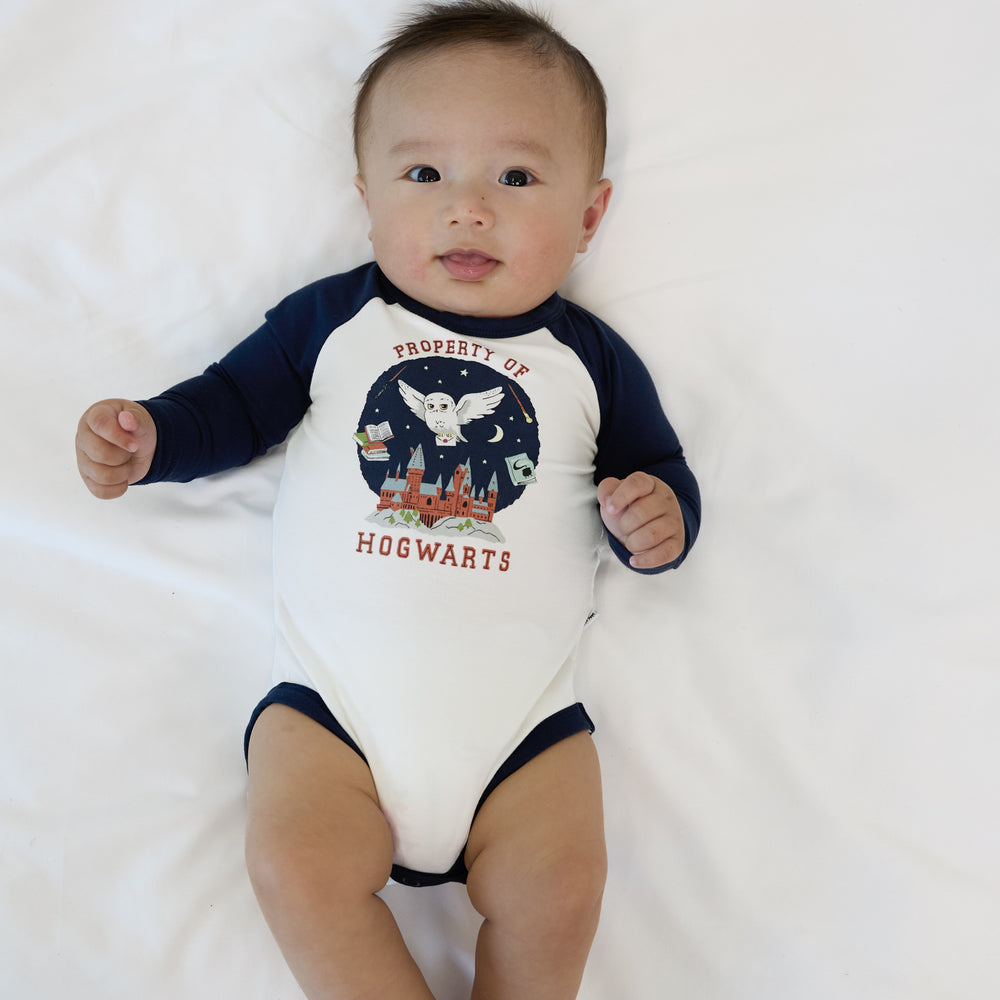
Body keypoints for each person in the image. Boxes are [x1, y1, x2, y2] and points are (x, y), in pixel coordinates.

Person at [75, 1, 701, 997]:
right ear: (367, 200)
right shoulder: (335, 323)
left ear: (588, 215)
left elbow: (658, 469)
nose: (467, 207)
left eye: (516, 176)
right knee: (293, 865)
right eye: (425, 175)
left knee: (566, 886)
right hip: (336, 720)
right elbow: (235, 405)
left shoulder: (587, 363)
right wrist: (153, 437)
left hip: (523, 731)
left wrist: (658, 519)